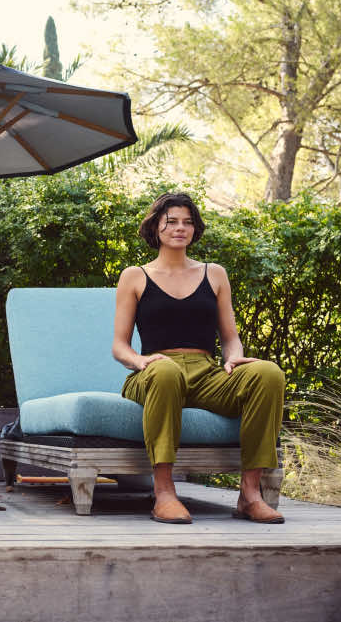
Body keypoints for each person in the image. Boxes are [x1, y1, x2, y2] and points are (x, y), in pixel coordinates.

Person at [112, 192, 285, 524]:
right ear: (156, 227)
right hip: (153, 373)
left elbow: (230, 337)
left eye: (188, 222)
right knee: (165, 373)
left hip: (206, 373)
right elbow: (120, 346)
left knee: (268, 373)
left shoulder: (215, 274)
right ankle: (164, 493)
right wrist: (140, 361)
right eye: (172, 221)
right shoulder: (135, 276)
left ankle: (250, 494)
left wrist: (234, 358)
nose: (181, 228)